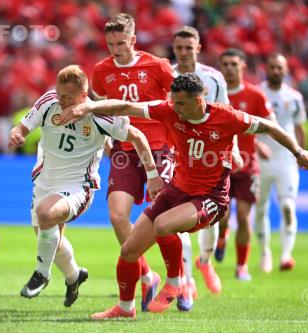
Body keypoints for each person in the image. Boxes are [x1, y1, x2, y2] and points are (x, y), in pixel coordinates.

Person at [57, 73, 308, 319]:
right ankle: (125, 308)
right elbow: (126, 106)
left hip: (210, 198)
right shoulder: (170, 109)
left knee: (163, 225)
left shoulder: (227, 117)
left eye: (181, 103)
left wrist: (298, 150)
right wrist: (90, 106)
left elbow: (268, 125)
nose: (175, 108)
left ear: (198, 100)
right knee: (128, 251)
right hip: (177, 191)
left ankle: (175, 283)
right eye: (174, 102)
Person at [8, 65, 164, 308]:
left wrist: (152, 174)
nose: (60, 100)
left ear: (83, 95)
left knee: (46, 215)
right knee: (49, 238)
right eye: (59, 94)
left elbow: (137, 137)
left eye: (67, 97)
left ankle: (41, 273)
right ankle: (74, 276)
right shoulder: (49, 101)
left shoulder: (100, 116)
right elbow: (23, 126)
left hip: (79, 186)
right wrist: (17, 134)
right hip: (44, 182)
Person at [91, 13, 175, 311]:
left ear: (133, 40)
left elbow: (181, 101)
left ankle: (180, 279)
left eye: (121, 43)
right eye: (111, 43)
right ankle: (146, 273)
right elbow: (100, 112)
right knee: (117, 216)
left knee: (164, 219)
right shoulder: (101, 71)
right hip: (125, 149)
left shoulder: (157, 66)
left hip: (160, 149)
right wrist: (105, 141)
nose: (116, 49)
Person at [171, 26, 231, 302]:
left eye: (188, 48)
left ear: (198, 47)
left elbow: (229, 117)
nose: (183, 53)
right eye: (178, 48)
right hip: (176, 153)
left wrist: (237, 151)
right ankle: (187, 281)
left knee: (209, 219)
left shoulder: (215, 79)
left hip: (210, 156)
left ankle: (204, 262)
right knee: (177, 220)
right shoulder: (167, 75)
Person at [215, 48, 274, 281]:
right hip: (220, 163)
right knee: (223, 216)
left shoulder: (255, 95)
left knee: (242, 217)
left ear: (243, 67)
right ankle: (221, 237)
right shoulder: (213, 92)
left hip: (248, 165)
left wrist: (259, 145)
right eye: (225, 64)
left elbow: (269, 124)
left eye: (233, 64)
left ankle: (241, 266)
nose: (229, 68)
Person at [254, 53, 307, 272]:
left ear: (286, 71)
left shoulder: (294, 97)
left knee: (287, 206)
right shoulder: (258, 93)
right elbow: (248, 125)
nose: (276, 71)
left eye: (280, 68)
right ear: (267, 68)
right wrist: (256, 146)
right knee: (260, 207)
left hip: (286, 160)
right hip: (260, 159)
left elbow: (300, 128)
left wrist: (300, 154)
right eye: (273, 67)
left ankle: (286, 255)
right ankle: (265, 252)